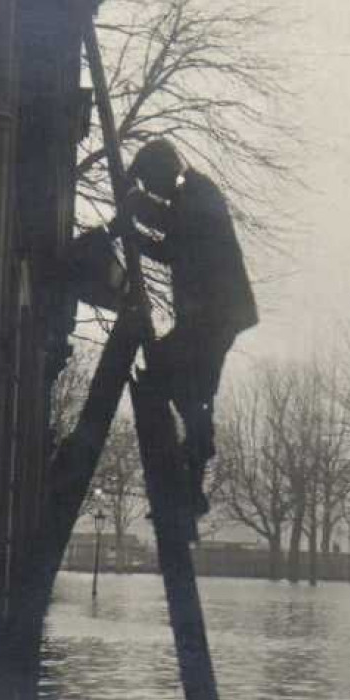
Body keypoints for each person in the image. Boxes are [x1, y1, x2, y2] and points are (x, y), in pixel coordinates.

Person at [112, 139, 258, 516]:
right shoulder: (188, 197)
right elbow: (170, 248)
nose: (151, 190)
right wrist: (135, 232)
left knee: (176, 378)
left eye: (149, 181)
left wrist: (136, 209)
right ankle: (189, 486)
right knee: (189, 389)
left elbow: (177, 233)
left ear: (164, 170)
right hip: (210, 316)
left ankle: (188, 483)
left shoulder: (198, 193)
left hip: (215, 315)